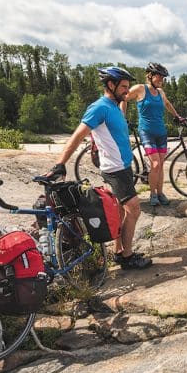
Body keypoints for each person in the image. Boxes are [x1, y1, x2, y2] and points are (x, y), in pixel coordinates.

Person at [45, 66, 152, 270]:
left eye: (128, 87)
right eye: (123, 87)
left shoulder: (115, 106)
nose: (126, 91)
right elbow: (78, 135)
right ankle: (127, 257)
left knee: (120, 210)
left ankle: (118, 251)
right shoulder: (99, 107)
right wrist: (60, 163)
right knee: (134, 209)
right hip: (115, 169)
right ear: (110, 85)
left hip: (123, 166)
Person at [121, 62, 185, 206]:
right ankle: (153, 194)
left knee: (160, 165)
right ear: (150, 76)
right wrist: (122, 118)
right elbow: (123, 98)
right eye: (159, 77)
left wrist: (177, 117)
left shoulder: (161, 92)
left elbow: (167, 104)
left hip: (161, 132)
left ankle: (160, 192)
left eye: (163, 78)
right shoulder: (140, 89)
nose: (162, 80)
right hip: (146, 132)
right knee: (155, 163)